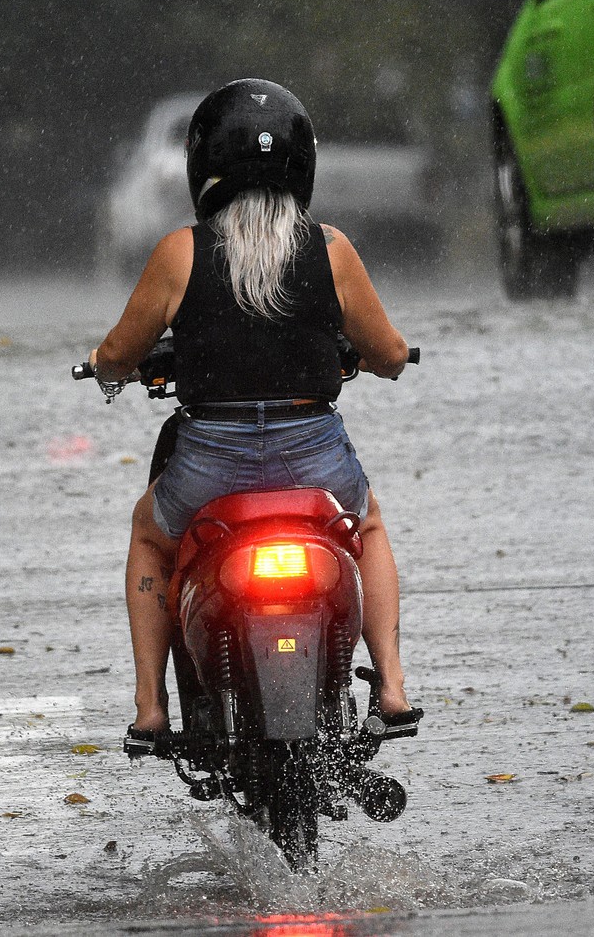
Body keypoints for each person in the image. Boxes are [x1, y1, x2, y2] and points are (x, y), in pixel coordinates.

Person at [89, 78, 420, 748]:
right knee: (368, 526)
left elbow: (121, 352)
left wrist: (105, 365)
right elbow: (387, 353)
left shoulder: (179, 252)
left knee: (149, 535)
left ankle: (150, 707)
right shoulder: (332, 250)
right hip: (315, 460)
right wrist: (380, 359)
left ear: (202, 164)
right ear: (303, 165)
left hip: (210, 466)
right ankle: (391, 687)